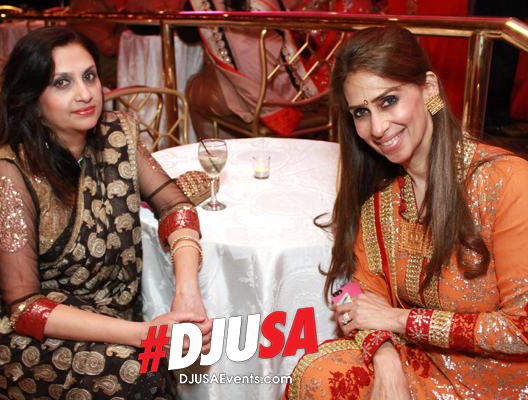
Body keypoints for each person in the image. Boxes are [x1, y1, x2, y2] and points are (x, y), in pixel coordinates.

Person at [0, 26, 212, 399]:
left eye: (89, 76)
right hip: (3, 311)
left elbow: (174, 204)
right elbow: (24, 307)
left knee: (146, 363)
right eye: (61, 83)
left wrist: (186, 290)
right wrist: (142, 334)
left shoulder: (117, 134)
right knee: (138, 370)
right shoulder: (10, 170)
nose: (85, 94)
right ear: (32, 98)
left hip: (82, 298)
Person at [285, 26, 528, 399]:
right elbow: (352, 291)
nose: (377, 128)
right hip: (421, 361)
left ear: (429, 88)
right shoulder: (382, 198)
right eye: (361, 112)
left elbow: (521, 329)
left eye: (389, 100)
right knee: (320, 375)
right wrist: (385, 359)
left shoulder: (507, 182)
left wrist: (400, 319)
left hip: (503, 380)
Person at [185, 0, 322, 138]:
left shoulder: (203, 3)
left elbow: (188, 36)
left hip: (245, 95)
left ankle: (225, 149)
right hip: (287, 93)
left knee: (193, 90)